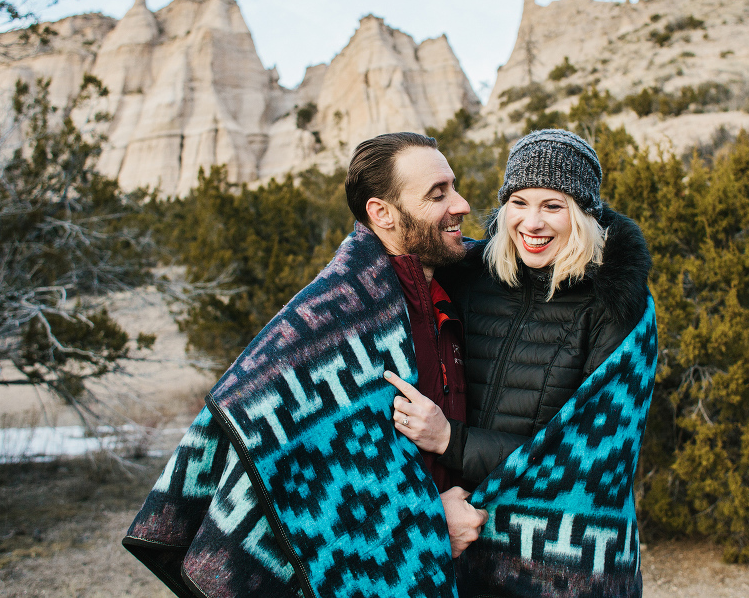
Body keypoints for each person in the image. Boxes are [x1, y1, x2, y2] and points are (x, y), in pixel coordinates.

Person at [123, 133, 486, 598]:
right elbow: (308, 480)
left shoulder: (464, 281)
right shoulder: (324, 321)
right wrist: (431, 521)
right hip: (400, 561)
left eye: (453, 187)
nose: (461, 203)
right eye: (438, 194)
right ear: (382, 213)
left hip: (471, 556)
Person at [399, 129, 658, 598]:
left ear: (583, 214)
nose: (532, 223)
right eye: (519, 202)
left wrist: (449, 441)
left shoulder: (615, 308)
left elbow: (584, 459)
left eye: (553, 205)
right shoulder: (469, 278)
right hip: (460, 542)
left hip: (564, 567)